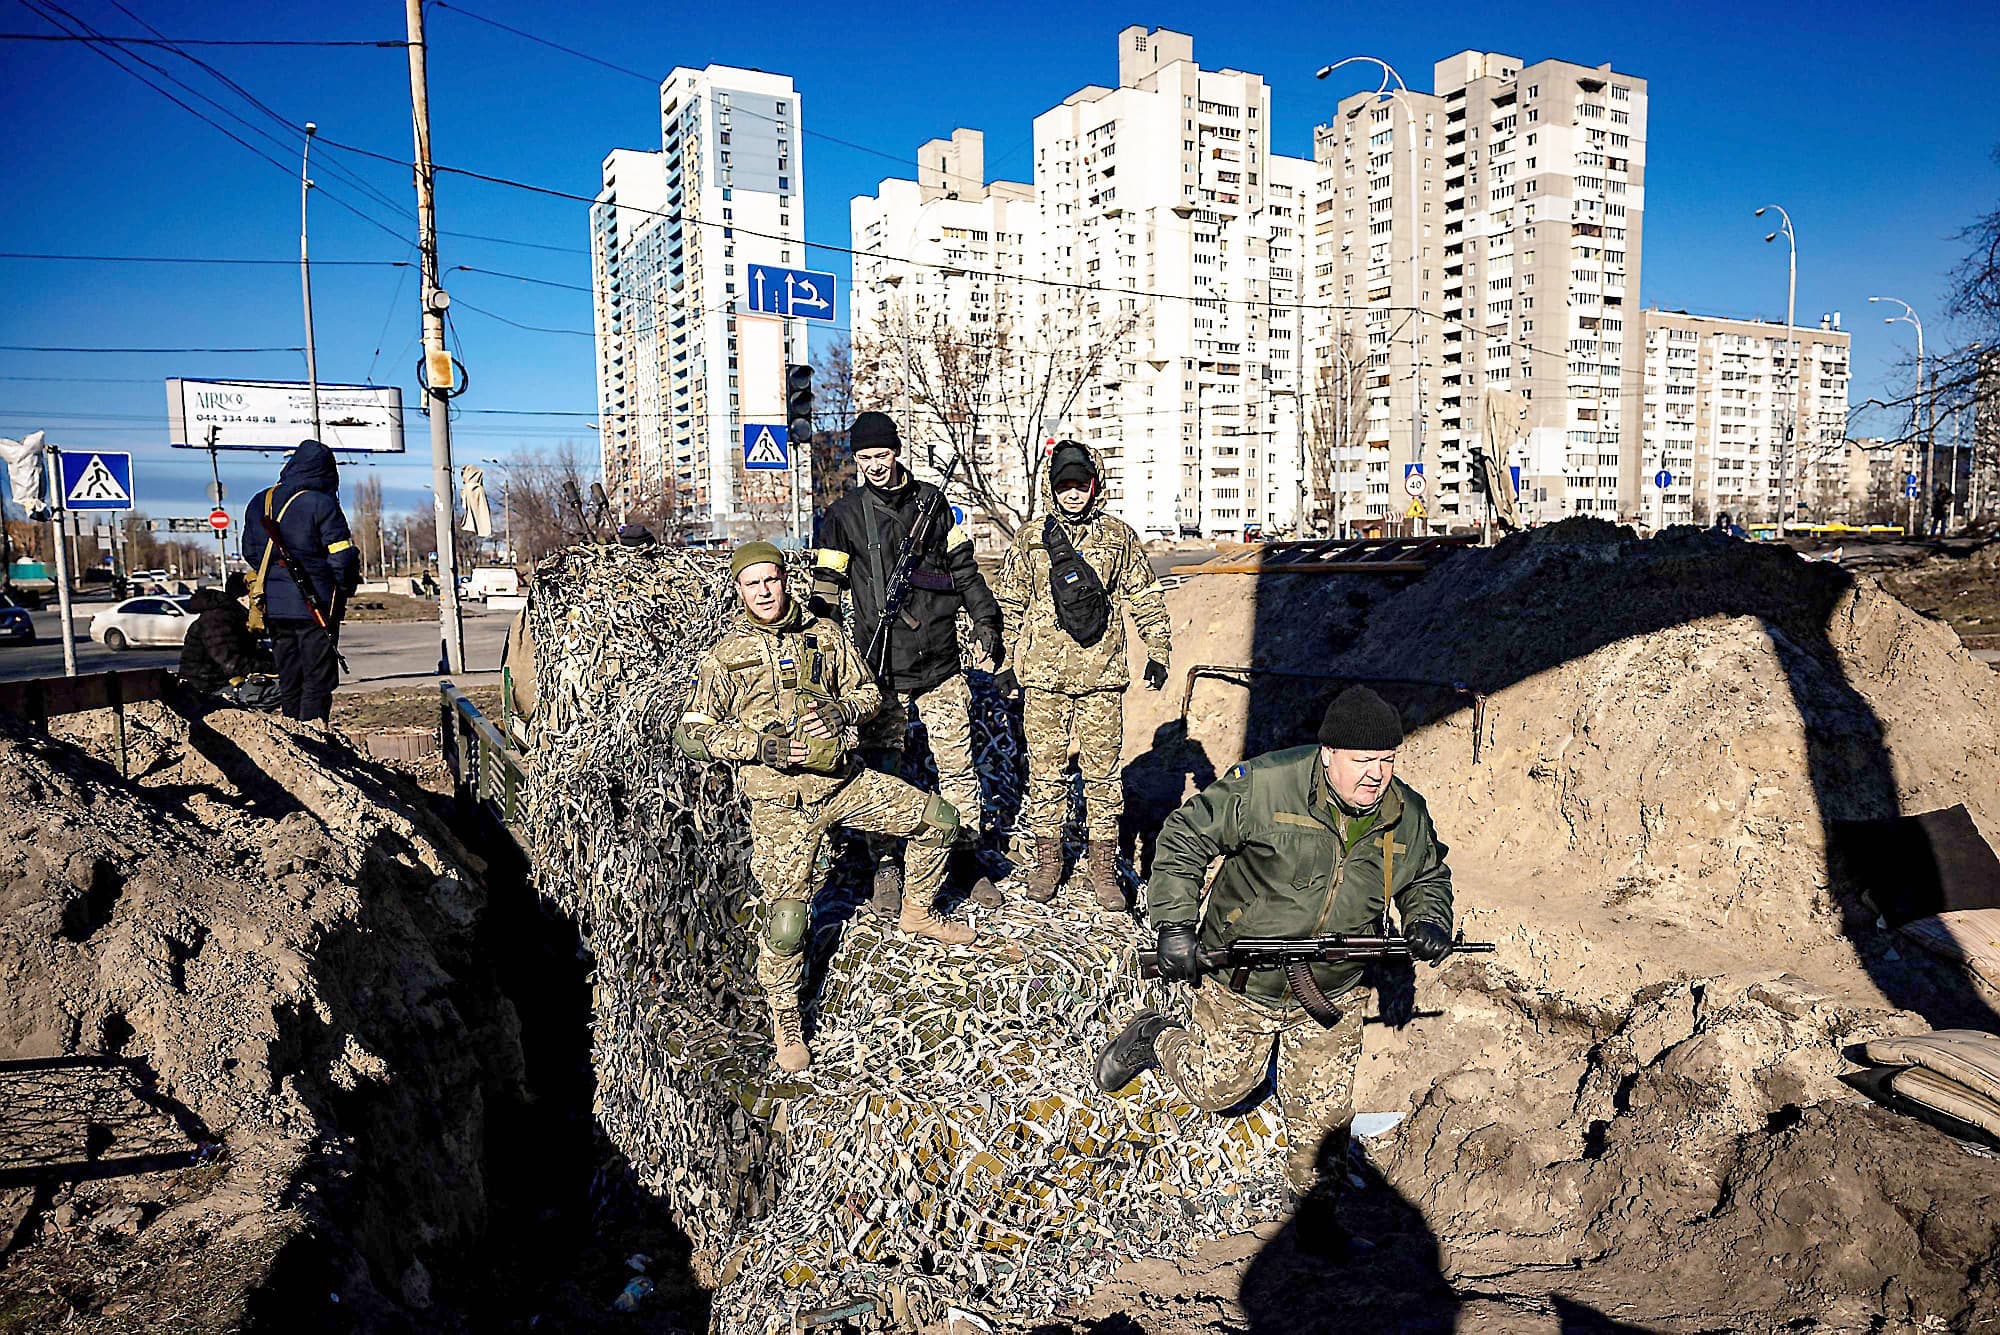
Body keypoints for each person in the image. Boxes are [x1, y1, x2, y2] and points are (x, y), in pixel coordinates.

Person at [1094, 686, 1456, 1254]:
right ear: (1328, 753)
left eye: (1387, 761)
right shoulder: (1266, 785)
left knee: (1323, 1116)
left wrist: (1429, 917)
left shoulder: (1404, 813)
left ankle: (1317, 1220)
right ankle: (1154, 1037)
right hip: (1245, 980)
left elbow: (1427, 877)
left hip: (1333, 988)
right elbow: (1186, 836)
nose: (1375, 775)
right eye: (1363, 761)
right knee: (1218, 1087)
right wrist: (1174, 925)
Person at [672, 541, 977, 1074]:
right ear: (739, 590)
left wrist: (841, 710)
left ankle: (918, 913)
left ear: (785, 578)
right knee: (788, 922)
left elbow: (867, 693)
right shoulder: (725, 655)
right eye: (752, 584)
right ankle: (786, 1020)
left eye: (771, 579)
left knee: (940, 820)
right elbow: (692, 733)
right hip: (781, 804)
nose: (764, 592)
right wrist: (756, 746)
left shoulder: (825, 634)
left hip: (843, 782)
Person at [816, 411, 1006, 917]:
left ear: (897, 452)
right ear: (854, 460)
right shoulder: (842, 516)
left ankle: (964, 859)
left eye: (882, 455)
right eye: (865, 458)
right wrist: (827, 656)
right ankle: (886, 866)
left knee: (960, 770)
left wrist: (987, 622)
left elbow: (965, 571)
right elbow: (827, 595)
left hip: (941, 662)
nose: (875, 466)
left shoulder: (933, 503)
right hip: (879, 669)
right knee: (883, 772)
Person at [993, 440, 1172, 909]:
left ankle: (1103, 867)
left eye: (1080, 484)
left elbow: (1145, 595)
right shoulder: (1032, 537)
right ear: (1053, 488)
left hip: (1101, 676)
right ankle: (1048, 861)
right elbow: (1011, 603)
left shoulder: (1118, 536)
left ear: (1095, 485)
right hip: (1044, 680)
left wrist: (1158, 651)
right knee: (1047, 774)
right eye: (1064, 485)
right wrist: (1005, 663)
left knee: (1102, 776)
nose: (1073, 493)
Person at [241, 439, 358, 723]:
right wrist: (342, 587)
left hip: (274, 605)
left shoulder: (261, 500)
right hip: (314, 603)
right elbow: (341, 557)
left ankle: (292, 736)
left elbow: (250, 551)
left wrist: (277, 577)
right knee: (317, 677)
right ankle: (314, 735)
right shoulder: (321, 503)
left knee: (289, 674)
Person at [177, 573, 278, 710]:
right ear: (243, 598)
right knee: (284, 689)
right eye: (257, 598)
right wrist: (275, 667)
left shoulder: (233, 616)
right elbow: (234, 663)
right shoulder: (218, 620)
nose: (261, 604)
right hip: (208, 691)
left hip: (216, 685)